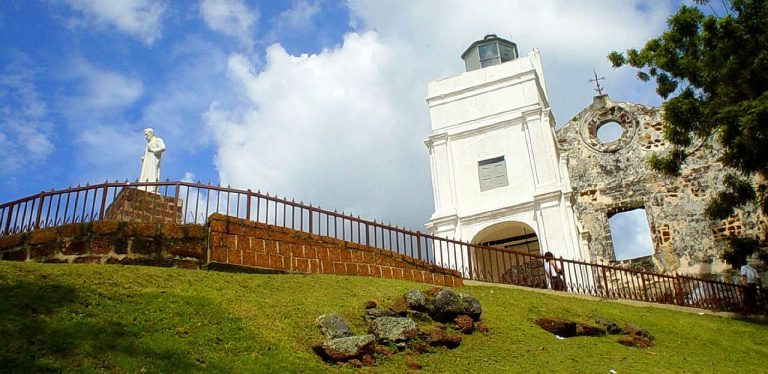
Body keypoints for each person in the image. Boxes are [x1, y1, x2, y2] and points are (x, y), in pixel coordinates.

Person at [138, 128, 166, 192]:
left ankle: (152, 187)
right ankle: (143, 186)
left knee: (152, 172)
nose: (145, 137)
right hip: (147, 162)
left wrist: (153, 150)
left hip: (153, 161)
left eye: (146, 135)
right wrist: (144, 158)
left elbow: (163, 147)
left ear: (151, 134)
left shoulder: (157, 140)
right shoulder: (148, 144)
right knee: (145, 173)